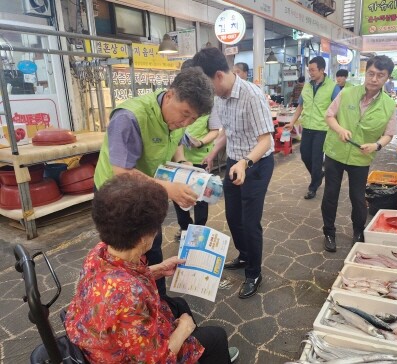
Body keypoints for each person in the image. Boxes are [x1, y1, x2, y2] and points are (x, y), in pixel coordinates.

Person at [65, 174, 239, 364]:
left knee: (179, 304)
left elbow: (122, 275)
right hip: (123, 356)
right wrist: (183, 330)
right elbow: (156, 361)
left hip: (103, 336)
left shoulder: (99, 252)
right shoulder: (128, 295)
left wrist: (156, 270)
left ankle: (201, 355)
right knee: (216, 336)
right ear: (143, 238)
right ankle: (208, 352)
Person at [93, 67, 214, 296]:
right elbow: (122, 172)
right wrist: (169, 189)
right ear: (169, 95)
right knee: (124, 253)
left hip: (147, 191)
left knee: (152, 245)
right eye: (185, 113)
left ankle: (156, 300)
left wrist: (183, 163)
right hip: (115, 197)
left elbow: (177, 139)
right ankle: (125, 302)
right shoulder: (129, 117)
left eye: (193, 119)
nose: (186, 122)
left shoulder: (176, 117)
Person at [192, 47, 274, 299]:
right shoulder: (220, 98)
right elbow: (226, 132)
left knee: (250, 222)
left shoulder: (252, 95)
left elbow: (266, 140)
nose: (207, 91)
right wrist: (213, 152)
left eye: (206, 83)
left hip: (256, 165)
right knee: (233, 217)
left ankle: (254, 273)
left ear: (218, 75)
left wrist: (245, 163)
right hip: (234, 162)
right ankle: (244, 254)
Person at [321, 55, 397, 253]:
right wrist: (340, 130)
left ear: (387, 78)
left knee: (357, 197)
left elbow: (389, 134)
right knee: (330, 194)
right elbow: (329, 116)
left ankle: (358, 231)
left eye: (380, 75)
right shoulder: (347, 93)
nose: (374, 79)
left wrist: (376, 145)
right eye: (371, 73)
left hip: (361, 157)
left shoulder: (388, 105)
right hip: (335, 152)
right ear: (366, 73)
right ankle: (329, 232)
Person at [173, 60, 220, 242]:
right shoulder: (175, 100)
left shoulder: (209, 102)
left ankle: (199, 230)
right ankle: (185, 228)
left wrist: (200, 142)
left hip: (200, 158)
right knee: (179, 196)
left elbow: (215, 131)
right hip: (178, 159)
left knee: (201, 197)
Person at [285, 56, 337, 200]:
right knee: (305, 155)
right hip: (307, 126)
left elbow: (338, 108)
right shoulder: (307, 86)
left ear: (322, 70)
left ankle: (313, 186)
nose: (311, 73)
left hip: (322, 128)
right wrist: (292, 122)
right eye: (309, 70)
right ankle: (318, 175)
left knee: (316, 158)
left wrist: (338, 128)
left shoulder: (333, 87)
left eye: (313, 70)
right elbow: (300, 106)